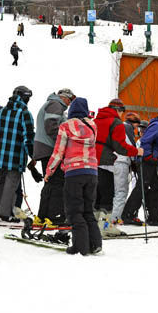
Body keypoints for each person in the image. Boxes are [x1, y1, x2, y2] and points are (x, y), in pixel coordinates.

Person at [44, 97, 102, 255]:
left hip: (74, 174)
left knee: (74, 211)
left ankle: (80, 247)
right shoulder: (92, 126)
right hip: (92, 172)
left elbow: (58, 152)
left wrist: (49, 171)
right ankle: (95, 244)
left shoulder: (65, 126)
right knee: (88, 210)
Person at [121, 104, 158, 225]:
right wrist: (148, 156)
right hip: (148, 161)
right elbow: (145, 141)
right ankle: (128, 214)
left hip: (153, 162)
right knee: (142, 187)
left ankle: (155, 218)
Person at [0, 85, 34, 221]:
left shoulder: (3, 112)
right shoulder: (25, 113)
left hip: (1, 157)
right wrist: (33, 156)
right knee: (11, 185)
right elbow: (29, 137)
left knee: (0, 184)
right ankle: (5, 214)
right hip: (16, 157)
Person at [93, 99, 142, 233]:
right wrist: (136, 151)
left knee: (96, 195)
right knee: (110, 195)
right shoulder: (115, 122)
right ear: (118, 110)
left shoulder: (96, 120)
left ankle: (93, 226)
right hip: (109, 161)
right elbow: (120, 146)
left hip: (92, 161)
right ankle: (107, 226)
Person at [32, 88, 75, 225]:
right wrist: (64, 142)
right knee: (57, 183)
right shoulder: (55, 105)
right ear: (64, 97)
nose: (69, 104)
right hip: (50, 148)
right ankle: (53, 217)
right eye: (69, 100)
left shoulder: (51, 104)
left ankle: (43, 216)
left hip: (44, 148)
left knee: (50, 183)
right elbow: (51, 127)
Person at [111, 112, 142, 224]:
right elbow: (131, 145)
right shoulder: (127, 127)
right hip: (122, 161)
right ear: (134, 123)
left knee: (114, 191)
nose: (137, 129)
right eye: (137, 125)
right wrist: (135, 160)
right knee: (121, 191)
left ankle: (112, 216)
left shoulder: (118, 126)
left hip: (113, 161)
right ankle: (115, 218)